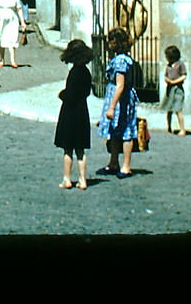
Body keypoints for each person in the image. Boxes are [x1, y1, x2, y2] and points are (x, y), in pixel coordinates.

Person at [97, 26, 139, 178]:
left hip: (122, 101)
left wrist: (112, 107)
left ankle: (126, 165)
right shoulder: (120, 58)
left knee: (126, 131)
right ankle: (113, 162)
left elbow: (120, 85)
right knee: (114, 130)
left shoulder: (121, 61)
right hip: (117, 98)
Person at [54, 39, 93, 190]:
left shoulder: (74, 73)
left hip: (70, 112)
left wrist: (62, 94)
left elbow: (70, 94)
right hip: (82, 111)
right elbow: (86, 92)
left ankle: (67, 179)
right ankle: (83, 179)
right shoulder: (86, 72)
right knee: (80, 150)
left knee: (68, 149)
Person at [162, 44, 187, 136]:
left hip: (177, 89)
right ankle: (169, 127)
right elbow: (165, 75)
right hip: (169, 90)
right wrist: (167, 80)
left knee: (178, 109)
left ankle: (182, 129)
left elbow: (184, 76)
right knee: (168, 109)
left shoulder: (180, 64)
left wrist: (174, 82)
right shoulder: (168, 65)